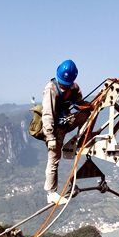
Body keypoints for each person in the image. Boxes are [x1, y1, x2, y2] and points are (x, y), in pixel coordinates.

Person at [42, 59, 91, 204]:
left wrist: (87, 106)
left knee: (87, 114)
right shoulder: (51, 89)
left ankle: (81, 139)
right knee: (54, 159)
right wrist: (50, 136)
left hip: (65, 122)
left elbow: (79, 103)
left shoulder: (74, 88)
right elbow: (47, 114)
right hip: (55, 128)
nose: (64, 86)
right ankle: (51, 193)